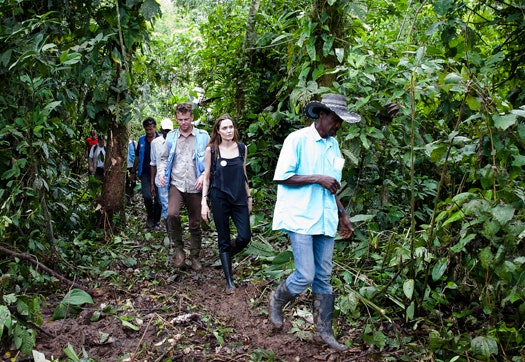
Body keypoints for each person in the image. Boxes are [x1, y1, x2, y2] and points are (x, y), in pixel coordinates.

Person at [268, 93, 360, 351]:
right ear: (321, 115)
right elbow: (282, 176)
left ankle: (325, 332)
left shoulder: (334, 146)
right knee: (305, 273)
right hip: (300, 216)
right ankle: (277, 298)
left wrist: (342, 214)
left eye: (341, 121)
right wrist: (317, 178)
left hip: (325, 216)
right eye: (335, 119)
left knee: (323, 277)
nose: (338, 125)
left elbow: (332, 185)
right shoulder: (297, 139)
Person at [201, 114, 252, 292]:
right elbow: (206, 176)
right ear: (218, 131)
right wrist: (203, 203)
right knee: (223, 237)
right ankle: (229, 281)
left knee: (245, 236)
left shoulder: (241, 148)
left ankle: (226, 255)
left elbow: (244, 174)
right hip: (219, 197)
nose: (229, 131)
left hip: (238, 198)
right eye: (224, 128)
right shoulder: (212, 150)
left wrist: (249, 196)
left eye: (231, 127)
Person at [159, 103, 209, 271]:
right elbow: (164, 158)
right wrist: (161, 172)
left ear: (192, 117)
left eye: (186, 119)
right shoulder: (171, 137)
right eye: (180, 120)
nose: (183, 123)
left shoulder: (203, 137)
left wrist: (204, 175)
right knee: (172, 214)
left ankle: (195, 256)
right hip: (177, 183)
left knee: (195, 223)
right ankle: (179, 250)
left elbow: (211, 160)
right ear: (176, 118)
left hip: (196, 186)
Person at [130, 117, 161, 229]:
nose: (149, 132)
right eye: (147, 129)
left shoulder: (161, 139)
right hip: (145, 173)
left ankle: (157, 220)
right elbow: (137, 156)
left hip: (159, 173)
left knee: (158, 199)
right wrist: (133, 171)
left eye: (151, 129)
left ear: (155, 127)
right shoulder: (142, 140)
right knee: (147, 196)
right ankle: (150, 216)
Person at [150, 118, 173, 224]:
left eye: (169, 130)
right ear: (161, 130)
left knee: (173, 207)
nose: (167, 132)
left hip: (175, 179)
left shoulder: (176, 140)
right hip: (161, 179)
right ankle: (169, 232)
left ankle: (173, 229)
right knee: (165, 205)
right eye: (165, 130)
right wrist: (152, 184)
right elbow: (153, 163)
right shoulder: (155, 143)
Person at [126, 138, 137, 204]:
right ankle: (127, 198)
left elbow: (137, 154)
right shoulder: (121, 143)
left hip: (132, 166)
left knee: (133, 182)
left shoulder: (133, 143)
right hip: (124, 167)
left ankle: (132, 196)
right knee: (126, 182)